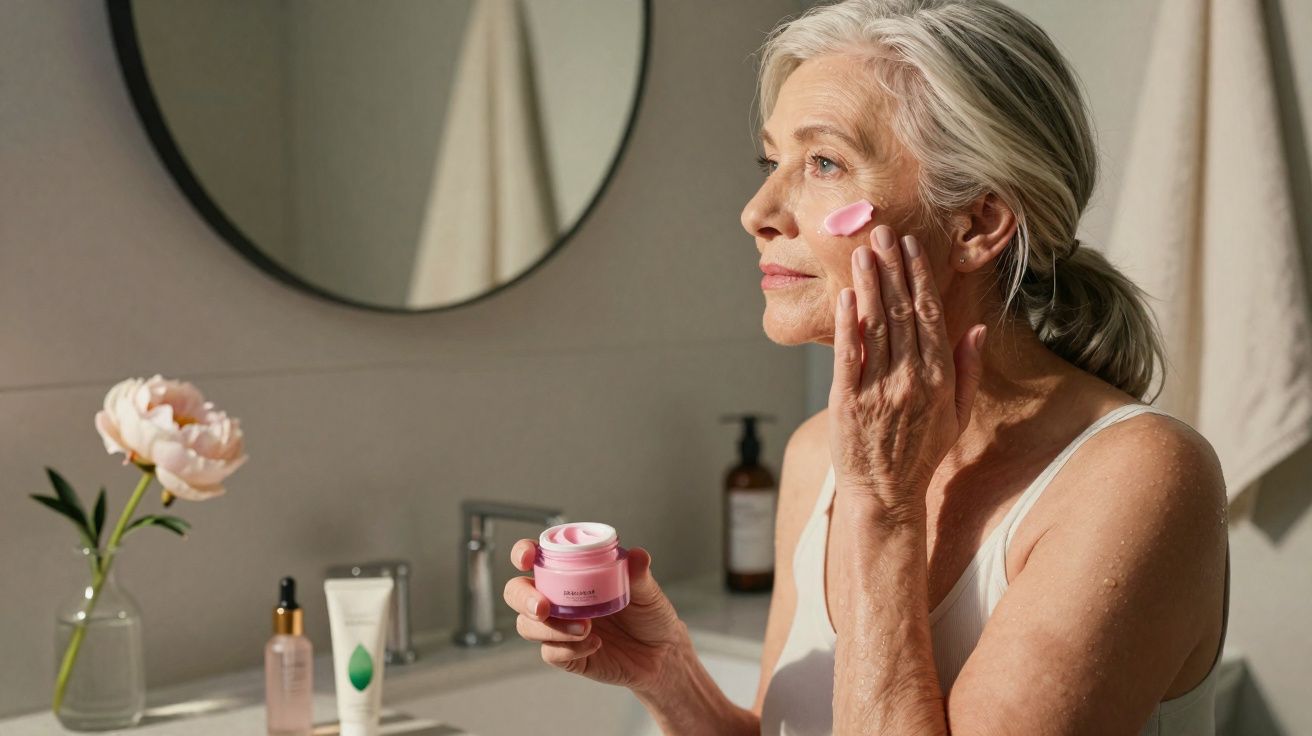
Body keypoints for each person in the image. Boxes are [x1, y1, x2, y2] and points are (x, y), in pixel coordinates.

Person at [504, 1, 1229, 733]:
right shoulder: (818, 452)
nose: (758, 210)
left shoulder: (1138, 479)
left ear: (976, 222)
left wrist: (884, 509)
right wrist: (670, 679)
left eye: (823, 163)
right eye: (771, 161)